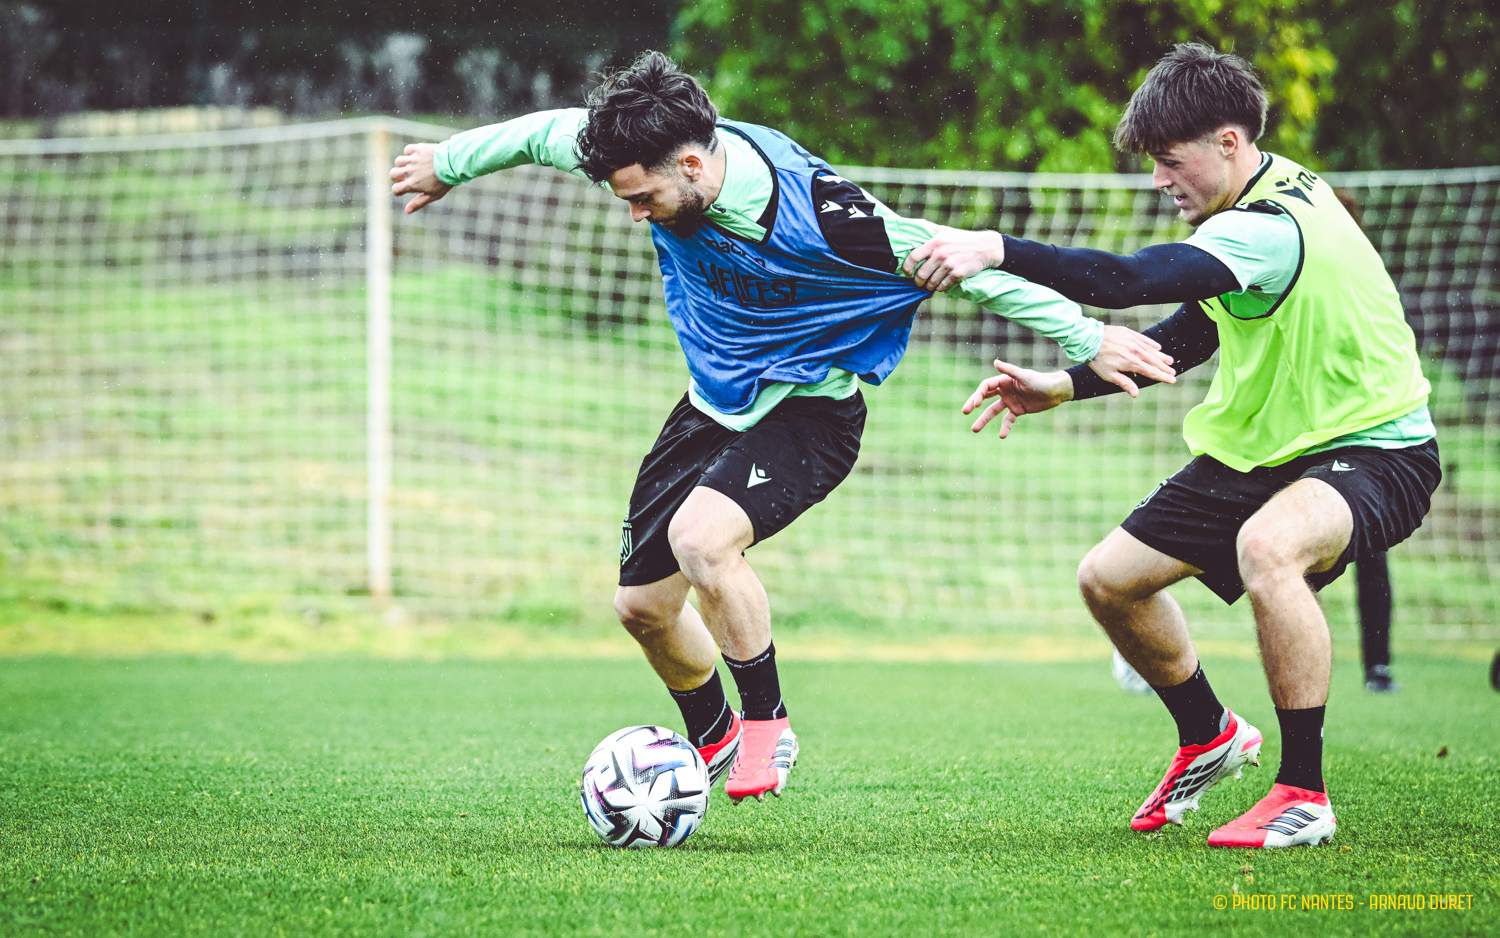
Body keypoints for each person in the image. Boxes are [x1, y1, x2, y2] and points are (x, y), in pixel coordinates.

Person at [390, 52, 1173, 804]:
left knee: (702, 542)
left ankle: (767, 724)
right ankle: (715, 739)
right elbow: (541, 132)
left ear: (691, 166)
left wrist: (1085, 338)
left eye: (643, 198)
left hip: (811, 408)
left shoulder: (827, 217)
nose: (634, 215)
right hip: (712, 404)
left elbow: (970, 271)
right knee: (642, 609)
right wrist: (447, 164)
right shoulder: (633, 148)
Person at [904, 43, 1440, 848]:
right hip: (1270, 449)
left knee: (1269, 548)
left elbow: (1127, 281)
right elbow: (1192, 332)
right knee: (1109, 581)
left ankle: (1303, 793)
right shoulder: (1265, 195)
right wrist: (1064, 385)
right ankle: (1209, 734)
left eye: (1169, 160)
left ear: (1228, 142)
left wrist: (996, 249)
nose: (1159, 179)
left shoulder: (1268, 226)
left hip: (1378, 448)